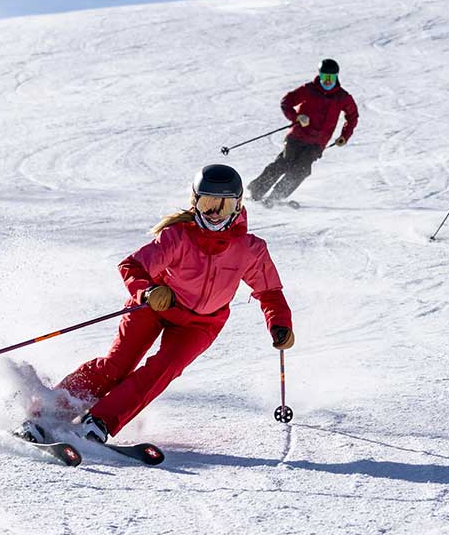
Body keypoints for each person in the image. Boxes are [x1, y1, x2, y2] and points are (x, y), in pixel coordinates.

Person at [21, 164, 294, 443]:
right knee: (117, 365)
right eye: (207, 203)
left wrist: (280, 324)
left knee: (163, 370)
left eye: (222, 207)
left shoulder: (249, 249)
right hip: (155, 307)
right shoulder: (177, 237)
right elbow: (132, 266)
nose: (213, 214)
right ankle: (49, 413)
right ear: (194, 201)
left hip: (202, 323)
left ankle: (100, 421)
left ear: (237, 207)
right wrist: (148, 292)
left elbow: (270, 291)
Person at [248, 58, 359, 204]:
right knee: (285, 162)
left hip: (318, 143)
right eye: (325, 77)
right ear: (320, 75)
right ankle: (256, 190)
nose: (327, 81)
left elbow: (352, 116)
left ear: (337, 77)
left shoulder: (342, 97)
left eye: (331, 78)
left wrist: (345, 136)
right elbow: (286, 102)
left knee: (302, 169)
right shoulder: (309, 90)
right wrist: (296, 117)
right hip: (297, 136)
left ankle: (276, 196)